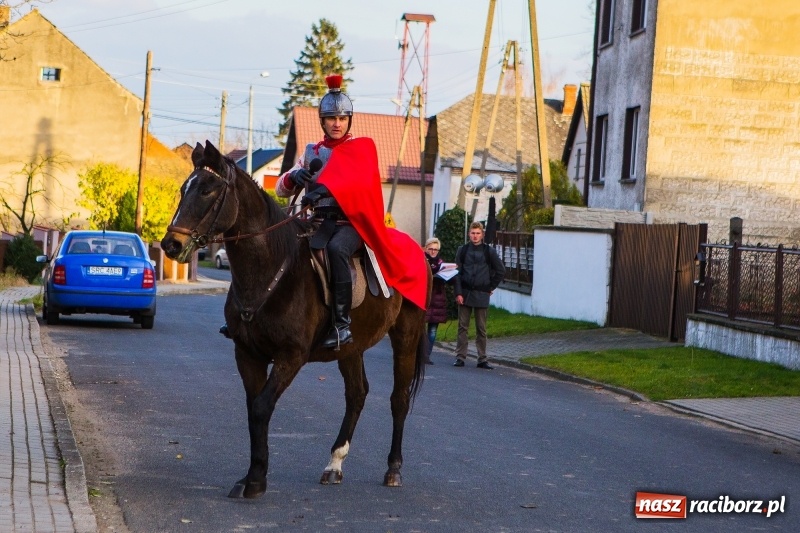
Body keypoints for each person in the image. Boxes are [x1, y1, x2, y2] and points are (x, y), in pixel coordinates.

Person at [220, 74, 428, 349]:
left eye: (342, 118)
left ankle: (341, 325)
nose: (337, 123)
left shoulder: (361, 149)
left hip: (350, 223)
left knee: (336, 251)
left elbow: (361, 187)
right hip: (315, 222)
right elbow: (282, 187)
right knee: (272, 248)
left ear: (349, 120)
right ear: (323, 121)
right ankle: (251, 314)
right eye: (331, 118)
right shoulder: (311, 151)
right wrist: (297, 177)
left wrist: (328, 190)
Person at [453, 222, 505, 369]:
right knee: (462, 327)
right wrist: (458, 293)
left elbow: (500, 270)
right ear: (469, 234)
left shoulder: (489, 251)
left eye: (477, 233)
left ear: (482, 235)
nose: (475, 236)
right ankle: (460, 357)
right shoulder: (462, 251)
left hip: (482, 293)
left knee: (481, 328)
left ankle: (482, 358)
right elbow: (457, 274)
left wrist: (490, 287)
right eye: (472, 233)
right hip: (465, 293)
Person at [423, 238, 450, 364]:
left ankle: (427, 355)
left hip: (437, 299)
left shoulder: (441, 263)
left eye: (436, 249)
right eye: (431, 249)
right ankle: (419, 354)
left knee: (432, 330)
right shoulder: (421, 260)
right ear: (426, 248)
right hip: (424, 297)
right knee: (420, 329)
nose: (433, 252)